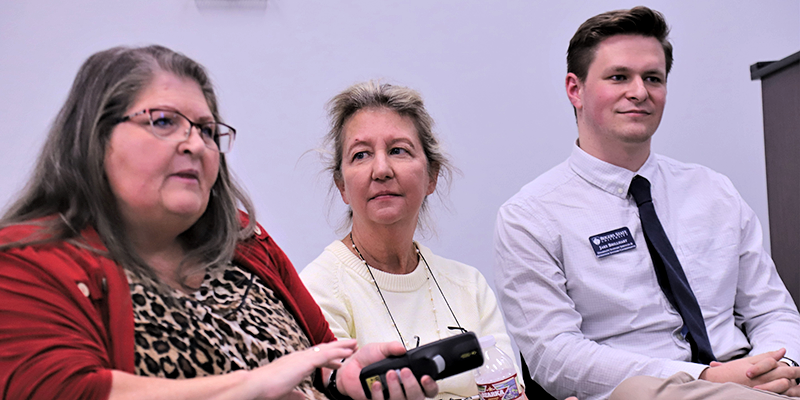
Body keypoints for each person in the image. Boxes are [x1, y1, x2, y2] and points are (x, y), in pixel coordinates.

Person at [0, 45, 439, 400]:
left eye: (207, 130)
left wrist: (350, 377)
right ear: (94, 136)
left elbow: (325, 360)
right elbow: (71, 391)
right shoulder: (27, 263)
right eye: (164, 121)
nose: (194, 143)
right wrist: (257, 383)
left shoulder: (245, 241)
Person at [493, 6, 800, 400]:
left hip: (757, 379)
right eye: (619, 76)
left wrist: (779, 368)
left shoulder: (714, 191)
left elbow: (772, 310)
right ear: (575, 89)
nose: (639, 91)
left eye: (652, 78)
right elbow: (556, 358)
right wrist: (704, 379)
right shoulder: (530, 216)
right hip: (647, 390)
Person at [300, 81, 523, 400]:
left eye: (398, 150)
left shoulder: (468, 286)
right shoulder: (319, 289)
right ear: (342, 186)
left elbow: (510, 393)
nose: (381, 169)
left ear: (432, 175)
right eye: (361, 155)